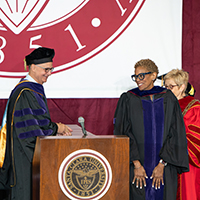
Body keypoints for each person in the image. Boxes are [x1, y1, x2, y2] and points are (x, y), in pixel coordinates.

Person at [0, 47, 72, 200]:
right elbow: (31, 130)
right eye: (46, 69)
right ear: (33, 67)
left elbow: (38, 122)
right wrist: (56, 128)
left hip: (24, 154)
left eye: (51, 69)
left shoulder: (31, 89)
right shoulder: (25, 92)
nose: (49, 73)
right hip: (24, 158)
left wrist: (54, 128)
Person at [114, 59, 189, 200]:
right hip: (138, 167)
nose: (138, 80)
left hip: (164, 167)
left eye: (141, 75)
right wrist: (136, 164)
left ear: (154, 75)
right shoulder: (128, 99)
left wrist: (162, 164)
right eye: (136, 76)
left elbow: (176, 133)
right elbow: (123, 133)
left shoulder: (169, 99)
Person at [164, 69, 200, 200]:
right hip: (165, 160)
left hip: (186, 161)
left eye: (171, 87)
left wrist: (175, 143)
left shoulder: (194, 107)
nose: (167, 90)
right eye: (165, 87)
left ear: (182, 87)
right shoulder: (163, 105)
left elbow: (196, 137)